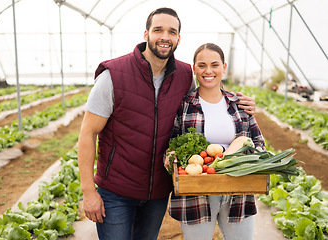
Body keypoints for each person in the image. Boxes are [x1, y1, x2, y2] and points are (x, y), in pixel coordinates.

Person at [77, 8, 256, 240]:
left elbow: (209, 99)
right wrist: (88, 191)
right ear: (146, 34)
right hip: (117, 191)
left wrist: (241, 103)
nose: (165, 37)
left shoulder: (183, 75)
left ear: (178, 39)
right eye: (158, 30)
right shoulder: (113, 75)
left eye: (172, 32)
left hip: (158, 193)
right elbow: (87, 133)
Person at [166, 43, 265, 240]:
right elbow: (171, 144)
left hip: (238, 190)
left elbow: (258, 142)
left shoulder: (239, 104)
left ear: (224, 67)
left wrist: (252, 158)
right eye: (201, 65)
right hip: (196, 192)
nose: (208, 71)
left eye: (214, 64)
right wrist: (170, 157)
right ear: (194, 68)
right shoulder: (184, 106)